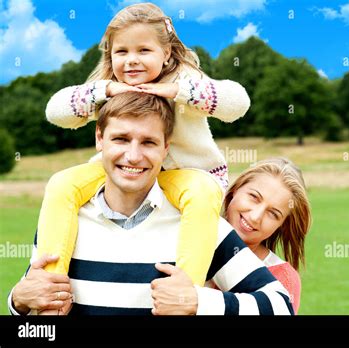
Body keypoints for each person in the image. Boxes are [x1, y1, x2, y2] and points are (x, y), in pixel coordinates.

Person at [9, 92, 292, 316]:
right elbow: (35, 323)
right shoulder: (66, 220)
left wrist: (197, 302)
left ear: (165, 148)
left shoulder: (203, 227)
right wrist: (18, 302)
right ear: (99, 138)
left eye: (148, 142)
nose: (133, 156)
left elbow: (281, 306)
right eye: (120, 139)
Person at [37, 2, 250, 294]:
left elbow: (238, 102)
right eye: (121, 52)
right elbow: (54, 110)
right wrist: (105, 91)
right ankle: (50, 285)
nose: (132, 60)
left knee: (201, 194)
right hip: (123, 170)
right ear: (110, 57)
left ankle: (184, 289)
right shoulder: (108, 88)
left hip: (187, 175)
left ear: (166, 54)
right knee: (61, 184)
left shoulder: (184, 81)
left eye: (143, 50)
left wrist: (179, 92)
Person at [222, 158, 311, 314]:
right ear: (236, 189)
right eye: (254, 197)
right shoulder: (184, 234)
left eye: (273, 213)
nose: (256, 217)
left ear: (281, 225)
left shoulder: (282, 278)